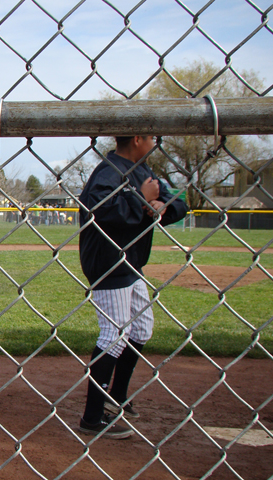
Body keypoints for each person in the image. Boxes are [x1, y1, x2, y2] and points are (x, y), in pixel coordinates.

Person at [77, 135, 188, 439]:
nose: (155, 143)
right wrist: (140, 198)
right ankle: (92, 417)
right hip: (108, 262)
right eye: (151, 137)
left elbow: (179, 203)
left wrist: (161, 205)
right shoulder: (109, 170)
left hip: (132, 263)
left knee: (141, 329)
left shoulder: (144, 171)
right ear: (137, 139)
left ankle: (116, 396)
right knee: (114, 335)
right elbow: (99, 211)